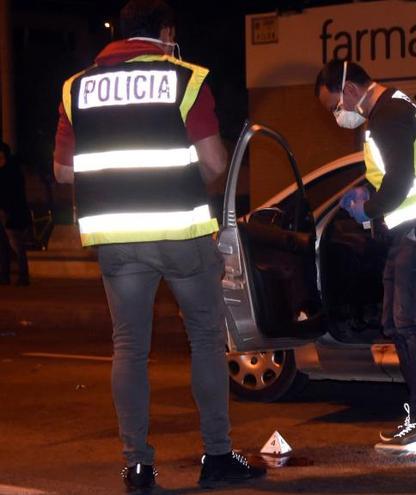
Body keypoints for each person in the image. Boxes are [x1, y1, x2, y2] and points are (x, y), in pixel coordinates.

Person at [52, 0, 265, 490]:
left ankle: (139, 466)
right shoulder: (184, 78)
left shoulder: (76, 87)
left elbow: (63, 170)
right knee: (206, 340)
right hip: (181, 233)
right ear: (166, 31)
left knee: (128, 347)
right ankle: (216, 456)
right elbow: (213, 164)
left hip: (117, 240)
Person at [315, 60, 416, 456]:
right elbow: (393, 176)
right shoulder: (389, 112)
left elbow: (401, 182)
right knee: (396, 323)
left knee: (411, 323)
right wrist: (370, 200)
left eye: (334, 106)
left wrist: (371, 208)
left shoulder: (388, 115)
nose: (337, 116)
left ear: (348, 90)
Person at [0, 141, 31, 286]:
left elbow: (14, 194)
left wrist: (8, 210)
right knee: (5, 246)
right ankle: (4, 276)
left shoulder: (11, 172)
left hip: (12, 213)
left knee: (16, 246)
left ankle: (23, 276)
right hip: (6, 213)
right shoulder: (8, 171)